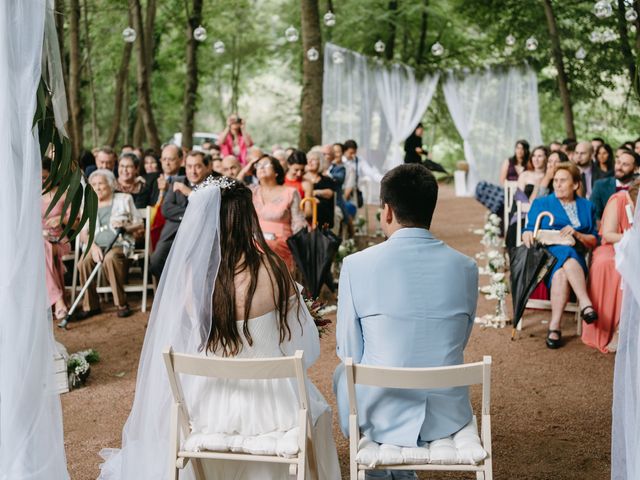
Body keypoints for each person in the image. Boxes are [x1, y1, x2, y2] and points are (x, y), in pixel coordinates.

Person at [98, 178, 341, 479]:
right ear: (246, 219)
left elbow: (188, 339)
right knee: (316, 408)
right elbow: (308, 350)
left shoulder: (191, 278)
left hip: (208, 407)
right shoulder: (275, 269)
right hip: (275, 410)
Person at [333, 164, 478, 480]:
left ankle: (380, 472)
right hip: (446, 413)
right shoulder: (466, 267)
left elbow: (348, 349)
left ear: (386, 211)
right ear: (430, 209)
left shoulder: (356, 265)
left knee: (342, 372)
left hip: (381, 413)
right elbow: (460, 337)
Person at [522, 162, 599, 348]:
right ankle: (585, 302)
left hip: (575, 257)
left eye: (563, 181)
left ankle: (554, 325)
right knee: (564, 251)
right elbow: (529, 230)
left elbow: (593, 240)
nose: (557, 184)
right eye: (555, 180)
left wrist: (577, 233)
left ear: (575, 185)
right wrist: (526, 234)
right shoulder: (542, 203)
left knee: (562, 270)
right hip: (546, 257)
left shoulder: (587, 206)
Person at [77, 169, 143, 319]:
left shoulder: (125, 199)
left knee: (110, 258)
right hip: (95, 246)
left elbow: (139, 224)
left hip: (119, 245)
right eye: (93, 184)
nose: (97, 187)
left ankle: (121, 304)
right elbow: (83, 233)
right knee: (83, 263)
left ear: (111, 184)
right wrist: (92, 247)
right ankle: (91, 306)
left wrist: (126, 227)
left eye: (101, 183)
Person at [583, 179, 639, 353]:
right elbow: (608, 234)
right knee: (607, 264)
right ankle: (610, 328)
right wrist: (632, 239)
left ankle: (629, 329)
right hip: (614, 245)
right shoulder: (620, 199)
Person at [150, 151, 211, 280]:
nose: (192, 171)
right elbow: (166, 209)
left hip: (199, 237)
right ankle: (174, 291)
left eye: (198, 166)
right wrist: (193, 213)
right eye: (189, 166)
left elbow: (208, 212)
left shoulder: (212, 187)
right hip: (172, 236)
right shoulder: (177, 182)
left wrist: (189, 194)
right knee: (156, 262)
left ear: (207, 167)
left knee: (193, 265)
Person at [251, 155, 306, 271]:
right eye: (258, 165)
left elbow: (298, 223)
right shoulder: (251, 192)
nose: (261, 168)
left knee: (267, 245)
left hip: (280, 242)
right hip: (255, 239)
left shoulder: (290, 192)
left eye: (265, 164)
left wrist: (299, 248)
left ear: (276, 172)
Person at [41, 158, 74, 322]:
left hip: (60, 239)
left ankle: (57, 299)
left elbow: (76, 220)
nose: (41, 181)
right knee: (41, 248)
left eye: (45, 177)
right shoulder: (30, 194)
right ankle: (58, 299)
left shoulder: (63, 193)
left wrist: (61, 219)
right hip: (39, 242)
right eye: (38, 177)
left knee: (43, 249)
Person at [590, 148, 639, 220]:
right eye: (618, 162)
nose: (619, 167)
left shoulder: (638, 187)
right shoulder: (600, 185)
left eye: (625, 164)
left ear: (635, 169)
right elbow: (594, 215)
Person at [304, 150, 335, 228]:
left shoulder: (327, 180)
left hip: (322, 216)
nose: (310, 161)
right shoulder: (302, 179)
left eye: (313, 159)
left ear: (320, 162)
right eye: (308, 159)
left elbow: (330, 194)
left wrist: (315, 192)